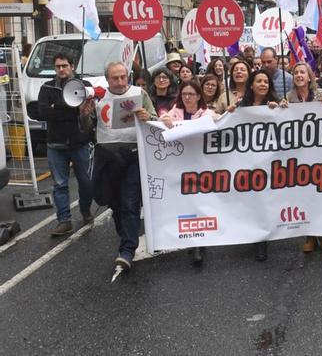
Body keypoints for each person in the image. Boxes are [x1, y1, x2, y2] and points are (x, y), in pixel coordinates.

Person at [89, 61, 156, 272]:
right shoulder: (98, 99)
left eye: (123, 77)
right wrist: (84, 114)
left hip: (133, 155)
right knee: (114, 202)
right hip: (108, 157)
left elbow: (154, 119)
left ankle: (127, 249)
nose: (119, 82)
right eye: (114, 78)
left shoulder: (140, 94)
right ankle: (127, 234)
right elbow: (86, 128)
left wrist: (148, 117)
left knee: (129, 201)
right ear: (107, 79)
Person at [227, 69, 286, 261]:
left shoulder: (274, 105)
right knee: (249, 201)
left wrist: (281, 110)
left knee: (263, 200)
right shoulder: (240, 106)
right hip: (245, 161)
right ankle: (250, 233)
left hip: (268, 162)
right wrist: (229, 113)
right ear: (251, 84)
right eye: (259, 81)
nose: (263, 84)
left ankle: (262, 241)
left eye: (266, 82)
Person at [160, 80, 217, 265]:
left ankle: (199, 244)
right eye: (184, 94)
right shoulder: (175, 112)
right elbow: (162, 121)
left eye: (191, 94)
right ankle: (193, 240)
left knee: (200, 203)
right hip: (180, 167)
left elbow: (219, 120)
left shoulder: (206, 113)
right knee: (187, 204)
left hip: (202, 166)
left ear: (199, 96)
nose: (187, 97)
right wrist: (165, 120)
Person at [37, 53, 94, 236]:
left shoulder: (84, 86)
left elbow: (89, 112)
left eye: (64, 66)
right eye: (58, 66)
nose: (61, 69)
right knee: (60, 184)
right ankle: (64, 220)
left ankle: (85, 210)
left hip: (79, 142)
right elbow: (44, 113)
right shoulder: (46, 88)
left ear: (72, 67)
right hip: (56, 144)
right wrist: (70, 106)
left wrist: (57, 106)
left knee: (85, 182)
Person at [284, 62, 322, 253]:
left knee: (321, 193)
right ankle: (310, 235)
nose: (299, 75)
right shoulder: (288, 97)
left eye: (302, 72)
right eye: (295, 72)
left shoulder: (321, 94)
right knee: (304, 194)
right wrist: (281, 108)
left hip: (319, 152)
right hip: (299, 154)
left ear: (309, 76)